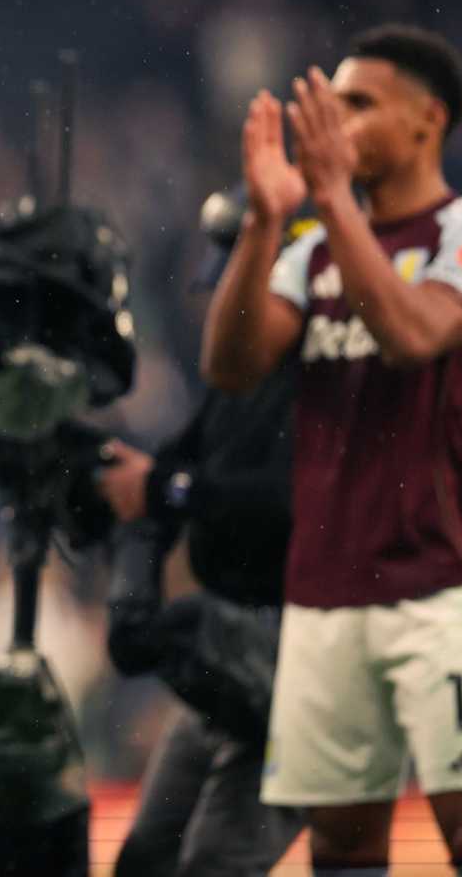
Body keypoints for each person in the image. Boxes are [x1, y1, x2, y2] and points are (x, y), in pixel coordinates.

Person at [202, 25, 462, 876]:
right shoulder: (310, 249)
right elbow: (230, 366)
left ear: (427, 119)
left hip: (440, 586)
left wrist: (329, 197)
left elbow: (411, 333)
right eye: (331, 105)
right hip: (322, 594)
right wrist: (266, 222)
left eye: (358, 104)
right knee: (341, 848)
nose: (336, 123)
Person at [97, 191, 305, 876]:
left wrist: (165, 488)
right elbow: (171, 468)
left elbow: (286, 504)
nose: (215, 312)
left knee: (217, 865)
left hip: (298, 668)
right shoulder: (236, 382)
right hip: (229, 663)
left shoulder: (322, 379)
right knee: (146, 861)